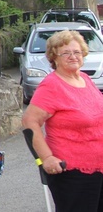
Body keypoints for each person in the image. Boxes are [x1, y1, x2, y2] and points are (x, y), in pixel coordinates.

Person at [23, 30, 103, 212]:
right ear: (54, 58)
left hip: (99, 167)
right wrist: (47, 157)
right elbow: (30, 122)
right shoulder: (52, 85)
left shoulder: (84, 79)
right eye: (65, 53)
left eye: (77, 52)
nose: (73, 56)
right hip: (72, 173)